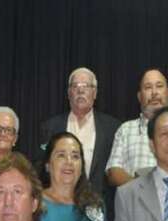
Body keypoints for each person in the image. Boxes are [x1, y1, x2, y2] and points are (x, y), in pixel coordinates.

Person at [106, 69, 168, 187]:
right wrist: (142, 189)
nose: (154, 92)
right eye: (148, 87)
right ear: (139, 96)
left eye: (159, 86)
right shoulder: (125, 130)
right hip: (136, 196)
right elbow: (113, 171)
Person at [39, 67, 121, 205]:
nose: (80, 90)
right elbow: (42, 169)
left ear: (95, 93)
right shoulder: (50, 127)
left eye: (86, 86)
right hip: (58, 204)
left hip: (100, 206)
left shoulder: (113, 128)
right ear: (68, 93)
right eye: (75, 86)